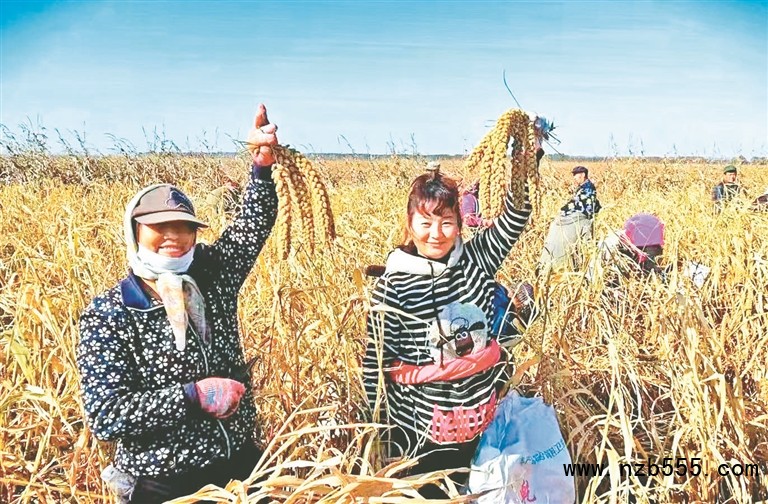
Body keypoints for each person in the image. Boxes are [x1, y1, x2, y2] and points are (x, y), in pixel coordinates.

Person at [77, 104, 279, 504]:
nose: (174, 235)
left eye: (185, 226)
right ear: (135, 232)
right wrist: (192, 396)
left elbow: (251, 226)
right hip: (163, 481)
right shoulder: (111, 313)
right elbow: (106, 415)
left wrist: (261, 165)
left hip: (237, 464)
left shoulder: (212, 278)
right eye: (160, 226)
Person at [362, 161, 532, 497]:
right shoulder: (393, 287)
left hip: (479, 420)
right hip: (420, 431)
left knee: (476, 492)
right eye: (426, 223)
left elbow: (517, 214)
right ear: (410, 224)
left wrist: (522, 156)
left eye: (447, 222)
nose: (436, 234)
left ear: (459, 224)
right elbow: (376, 362)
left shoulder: (476, 260)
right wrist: (379, 428)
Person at [537, 165, 601, 273]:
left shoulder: (588, 188)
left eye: (576, 175)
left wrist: (566, 209)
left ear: (583, 175)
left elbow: (584, 205)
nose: (574, 178)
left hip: (581, 216)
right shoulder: (583, 188)